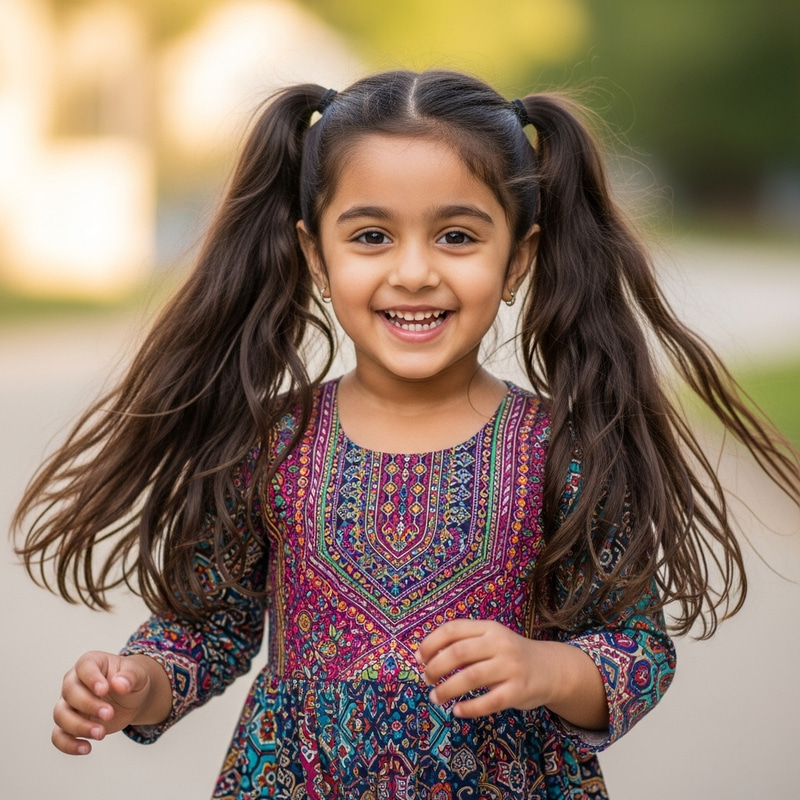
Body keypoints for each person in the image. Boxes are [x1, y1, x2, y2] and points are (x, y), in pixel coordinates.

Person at [13, 69, 800, 799]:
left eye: (457, 236)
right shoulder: (263, 443)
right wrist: (133, 684)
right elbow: (206, 630)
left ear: (518, 259)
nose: (415, 271)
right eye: (371, 237)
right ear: (313, 255)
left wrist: (545, 669)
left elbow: (635, 649)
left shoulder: (566, 449)